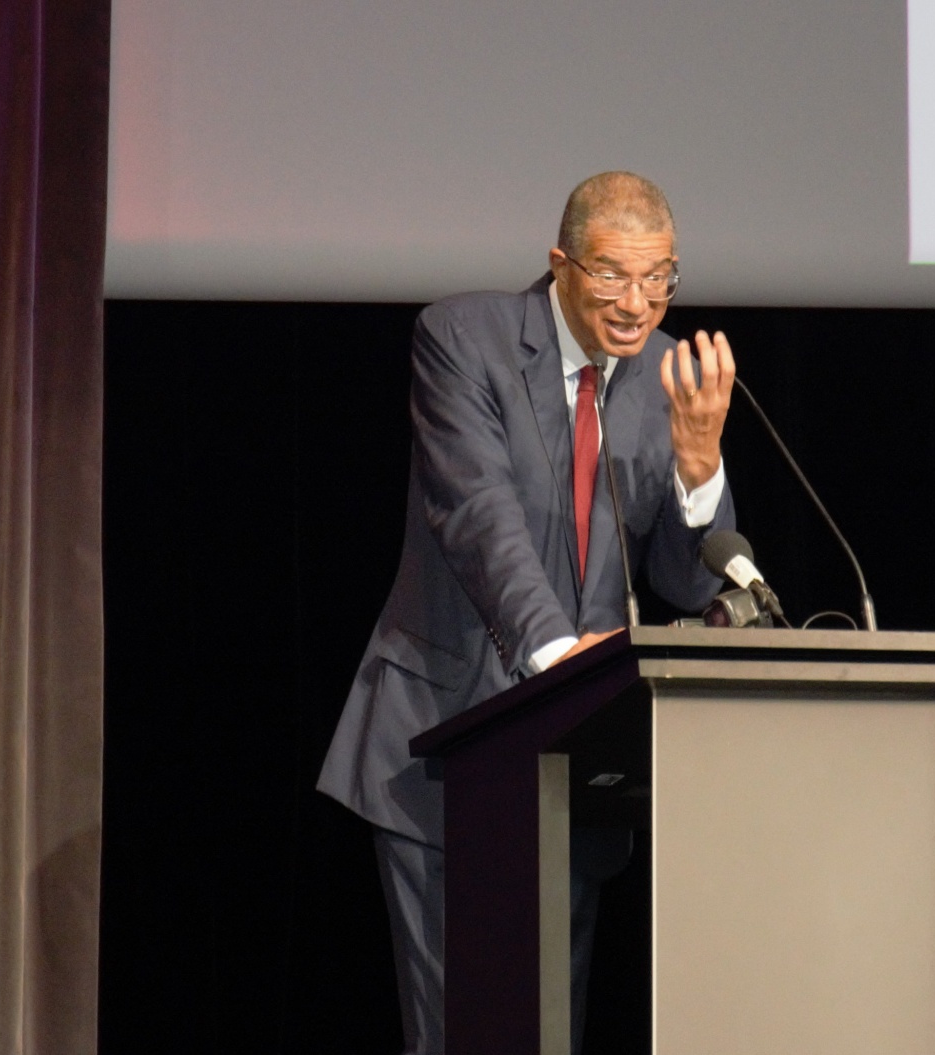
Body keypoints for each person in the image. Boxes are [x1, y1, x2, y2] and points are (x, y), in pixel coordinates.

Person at [317, 172, 738, 1054]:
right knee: (459, 1033)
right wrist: (562, 662)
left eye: (658, 278)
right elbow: (478, 517)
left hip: (580, 767)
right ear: (561, 263)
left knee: (549, 1032)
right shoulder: (464, 338)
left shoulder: (667, 372)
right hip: (447, 738)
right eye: (613, 274)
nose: (637, 304)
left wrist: (700, 470)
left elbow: (688, 581)